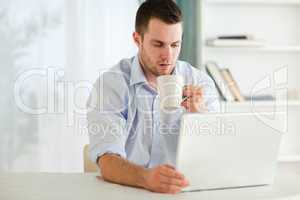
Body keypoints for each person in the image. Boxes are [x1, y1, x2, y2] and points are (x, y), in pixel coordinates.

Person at [87, 0, 219, 194]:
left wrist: (199, 116)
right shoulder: (112, 85)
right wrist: (146, 178)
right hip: (130, 191)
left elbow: (217, 153)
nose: (168, 55)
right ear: (137, 39)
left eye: (175, 45)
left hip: (186, 191)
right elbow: (108, 161)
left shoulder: (200, 83)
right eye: (158, 44)